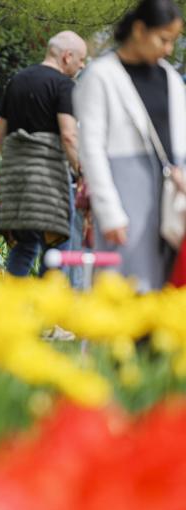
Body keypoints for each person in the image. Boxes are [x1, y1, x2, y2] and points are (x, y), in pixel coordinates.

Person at [75, 0, 185, 292]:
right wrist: (109, 211)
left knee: (171, 287)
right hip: (127, 195)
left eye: (173, 41)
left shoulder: (171, 78)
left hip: (172, 198)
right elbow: (92, 148)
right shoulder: (101, 76)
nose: (168, 50)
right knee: (130, 286)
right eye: (163, 39)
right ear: (139, 30)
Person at [0, 31, 87, 277]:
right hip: (48, 180)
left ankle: (11, 308)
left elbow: (0, 132)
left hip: (16, 181)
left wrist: (14, 161)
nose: (82, 65)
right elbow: (68, 135)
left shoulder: (16, 80)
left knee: (24, 246)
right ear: (67, 56)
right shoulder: (64, 85)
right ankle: (50, 310)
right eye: (81, 59)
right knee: (57, 247)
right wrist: (81, 171)